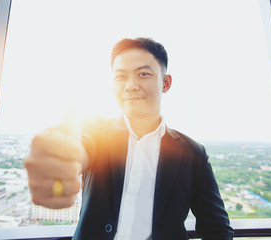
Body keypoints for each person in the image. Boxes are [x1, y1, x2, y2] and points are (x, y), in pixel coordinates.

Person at [25, 38, 234, 240]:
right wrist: (62, 164)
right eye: (120, 76)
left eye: (143, 74)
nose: (131, 85)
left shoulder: (193, 154)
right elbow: (79, 149)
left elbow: (217, 229)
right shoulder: (95, 129)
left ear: (166, 83)